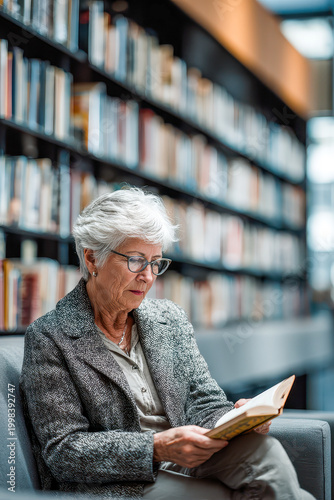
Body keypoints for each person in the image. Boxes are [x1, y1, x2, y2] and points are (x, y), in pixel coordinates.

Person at [20, 187, 315, 500]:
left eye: (156, 262)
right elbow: (64, 451)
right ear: (93, 258)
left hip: (188, 458)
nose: (148, 276)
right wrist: (156, 447)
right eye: (135, 261)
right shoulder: (50, 338)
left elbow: (204, 400)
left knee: (263, 450)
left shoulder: (169, 319)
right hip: (118, 482)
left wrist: (236, 419)